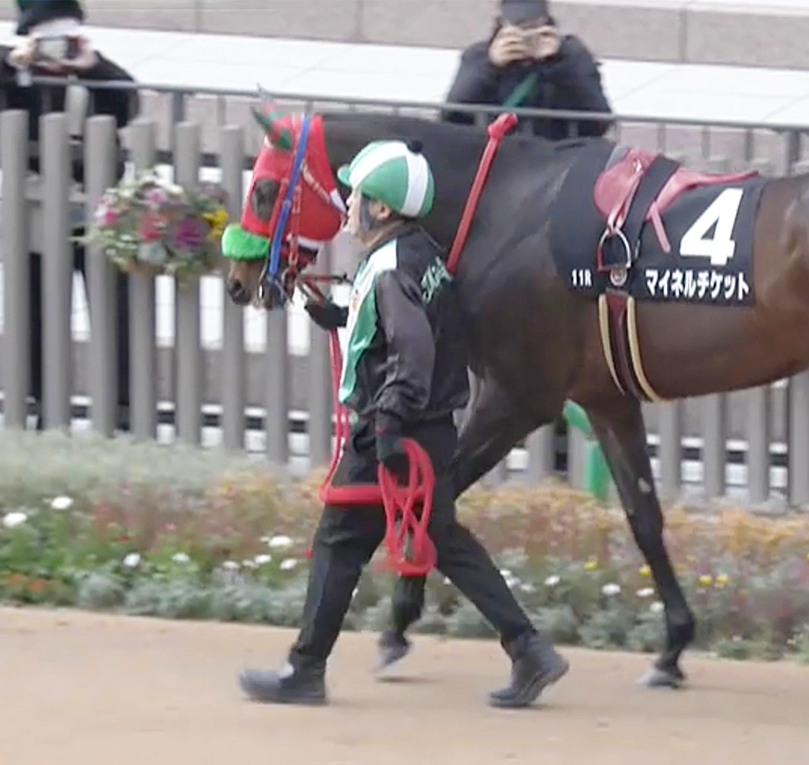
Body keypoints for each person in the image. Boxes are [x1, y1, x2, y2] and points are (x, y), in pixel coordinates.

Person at [238, 139, 569, 708]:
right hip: (430, 430)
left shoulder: (390, 269)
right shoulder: (417, 253)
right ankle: (529, 648)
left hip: (393, 435)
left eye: (357, 196)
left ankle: (305, 670)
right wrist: (340, 316)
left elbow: (412, 352)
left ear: (383, 208)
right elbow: (416, 325)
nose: (347, 205)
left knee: (339, 542)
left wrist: (387, 425)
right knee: (443, 541)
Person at [0, 0, 136, 430]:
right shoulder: (11, 78)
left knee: (114, 313)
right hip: (33, 217)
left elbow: (129, 102)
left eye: (64, 40)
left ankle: (121, 410)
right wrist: (14, 60)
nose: (56, 52)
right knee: (37, 315)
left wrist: (93, 66)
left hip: (95, 213)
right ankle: (45, 407)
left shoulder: (97, 76)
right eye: (47, 41)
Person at [442, 0, 612, 140]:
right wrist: (490, 67)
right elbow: (452, 116)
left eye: (534, 26)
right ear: (502, 23)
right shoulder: (479, 55)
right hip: (499, 154)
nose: (526, 35)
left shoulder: (571, 55)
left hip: (555, 155)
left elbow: (599, 120)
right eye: (518, 27)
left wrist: (560, 64)